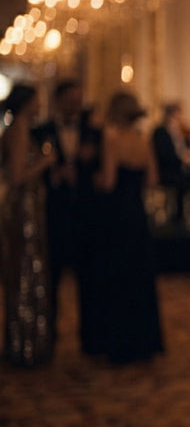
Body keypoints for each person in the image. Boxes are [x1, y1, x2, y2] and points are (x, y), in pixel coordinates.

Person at [92, 91, 165, 365]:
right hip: (138, 213)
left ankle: (121, 343)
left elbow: (109, 182)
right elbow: (153, 180)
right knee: (139, 275)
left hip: (117, 216)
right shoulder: (143, 140)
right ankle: (144, 341)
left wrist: (96, 180)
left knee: (119, 276)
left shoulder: (112, 140)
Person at [32, 79, 102, 354]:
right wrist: (55, 176)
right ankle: (48, 337)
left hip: (87, 215)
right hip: (55, 214)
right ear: (59, 101)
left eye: (79, 100)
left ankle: (91, 338)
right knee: (52, 278)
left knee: (89, 280)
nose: (76, 105)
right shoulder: (41, 132)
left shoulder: (93, 132)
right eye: (71, 100)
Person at [2, 84, 57, 367]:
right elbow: (17, 176)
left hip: (28, 206)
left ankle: (26, 340)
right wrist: (45, 162)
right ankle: (24, 343)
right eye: (37, 100)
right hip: (23, 208)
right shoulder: (19, 131)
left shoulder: (19, 129)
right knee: (26, 270)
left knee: (27, 270)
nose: (40, 106)